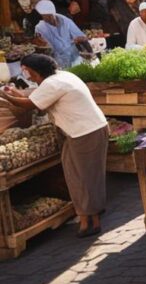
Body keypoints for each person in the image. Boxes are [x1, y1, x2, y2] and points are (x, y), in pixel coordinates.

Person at [0, 54, 107, 237]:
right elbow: (38, 98)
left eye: (27, 71)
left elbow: (30, 105)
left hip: (84, 133)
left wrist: (4, 95)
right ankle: (90, 217)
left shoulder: (52, 84)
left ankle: (89, 220)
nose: (27, 75)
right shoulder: (63, 76)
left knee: (83, 178)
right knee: (81, 176)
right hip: (86, 130)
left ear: (34, 71)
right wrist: (15, 94)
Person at [33, 0, 87, 68]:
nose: (49, 18)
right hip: (58, 62)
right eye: (45, 16)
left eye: (50, 15)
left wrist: (80, 39)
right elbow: (44, 48)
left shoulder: (65, 20)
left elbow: (81, 36)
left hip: (75, 58)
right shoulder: (40, 28)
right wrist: (41, 44)